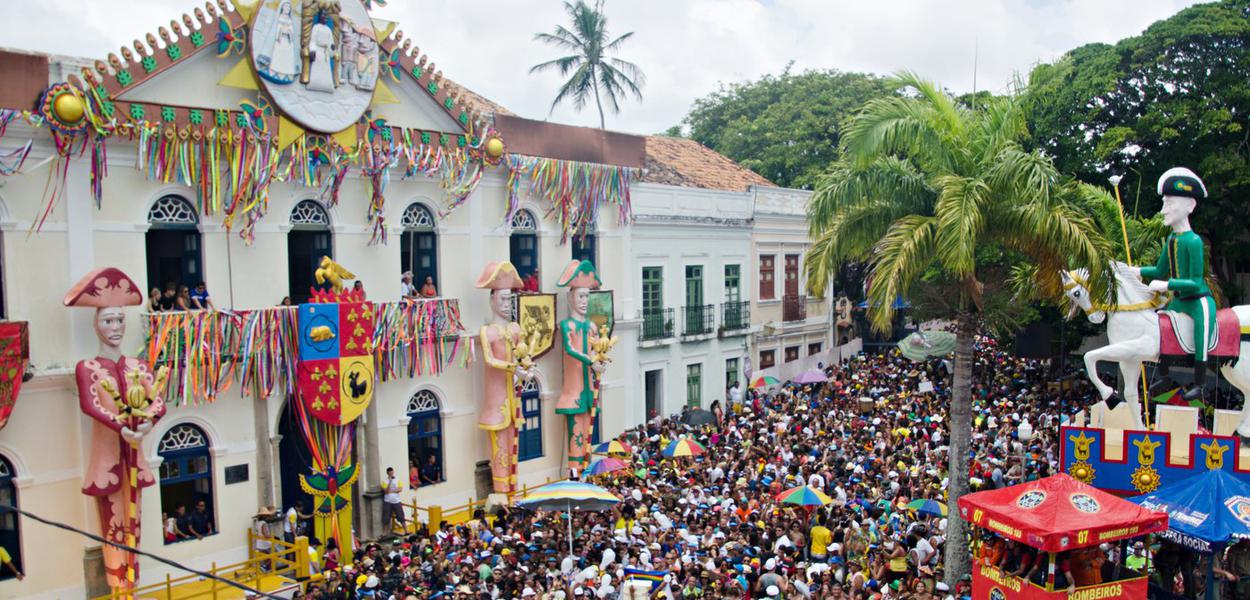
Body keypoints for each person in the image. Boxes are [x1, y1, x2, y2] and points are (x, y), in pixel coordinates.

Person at [1136, 167, 1214, 402]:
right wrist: (1135, 270)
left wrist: (1166, 284)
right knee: (1159, 328)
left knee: (1201, 333)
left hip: (1197, 300)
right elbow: (1160, 270)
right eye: (1164, 204)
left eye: (1170, 204)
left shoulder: (1193, 241)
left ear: (1190, 206)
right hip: (1178, 301)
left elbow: (1196, 281)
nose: (1164, 210)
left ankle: (1200, 384)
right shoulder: (1171, 239)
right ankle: (1165, 375)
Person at [380, 467, 406, 535]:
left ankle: (406, 531)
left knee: (401, 516)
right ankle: (384, 532)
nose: (392, 474)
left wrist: (392, 491)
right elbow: (386, 491)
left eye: (392, 472)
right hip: (387, 501)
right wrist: (390, 482)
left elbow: (400, 489)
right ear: (388, 473)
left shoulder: (398, 480)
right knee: (386, 518)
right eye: (390, 472)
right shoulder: (384, 481)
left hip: (396, 501)